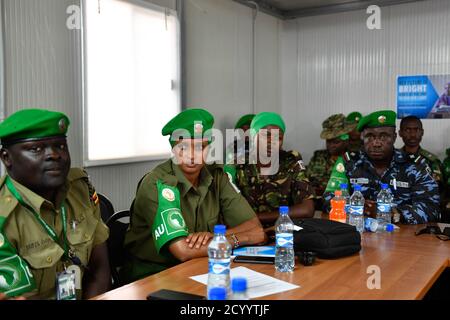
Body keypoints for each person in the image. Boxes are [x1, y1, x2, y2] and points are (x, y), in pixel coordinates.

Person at [122, 109, 265, 283]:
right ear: (173, 149)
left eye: (200, 147)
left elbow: (256, 227)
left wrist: (216, 237)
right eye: (183, 147)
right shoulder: (158, 183)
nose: (191, 156)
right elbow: (183, 251)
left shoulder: (217, 176)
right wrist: (239, 238)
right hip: (153, 274)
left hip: (202, 265)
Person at [0, 109, 110, 300]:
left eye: (60, 146)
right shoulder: (3, 215)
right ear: (6, 158)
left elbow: (100, 268)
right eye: (36, 149)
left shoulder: (80, 190)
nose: (54, 155)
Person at [324, 110, 440, 224]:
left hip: (402, 237)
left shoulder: (415, 165)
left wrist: (391, 214)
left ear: (394, 137)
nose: (376, 143)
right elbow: (328, 198)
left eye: (384, 136)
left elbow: (431, 208)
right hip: (358, 234)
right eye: (370, 136)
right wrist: (356, 208)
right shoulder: (349, 162)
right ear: (362, 137)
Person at [235, 112, 315, 230]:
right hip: (248, 233)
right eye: (265, 135)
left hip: (284, 234)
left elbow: (307, 209)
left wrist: (256, 218)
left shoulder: (290, 161)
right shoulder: (239, 165)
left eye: (278, 137)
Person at [306, 114, 354, 201]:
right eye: (328, 141)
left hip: (341, 204)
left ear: (346, 141)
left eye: (336, 142)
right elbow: (307, 180)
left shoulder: (353, 159)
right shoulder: (318, 156)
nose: (331, 145)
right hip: (316, 203)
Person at [399, 116, 444, 186]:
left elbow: (440, 190)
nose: (412, 135)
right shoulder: (392, 158)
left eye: (416, 130)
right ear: (400, 133)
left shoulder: (432, 161)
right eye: (408, 130)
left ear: (422, 132)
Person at [224, 114, 255, 184]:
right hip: (237, 177)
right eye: (243, 129)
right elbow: (229, 165)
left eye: (249, 129)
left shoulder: (260, 145)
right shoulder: (232, 146)